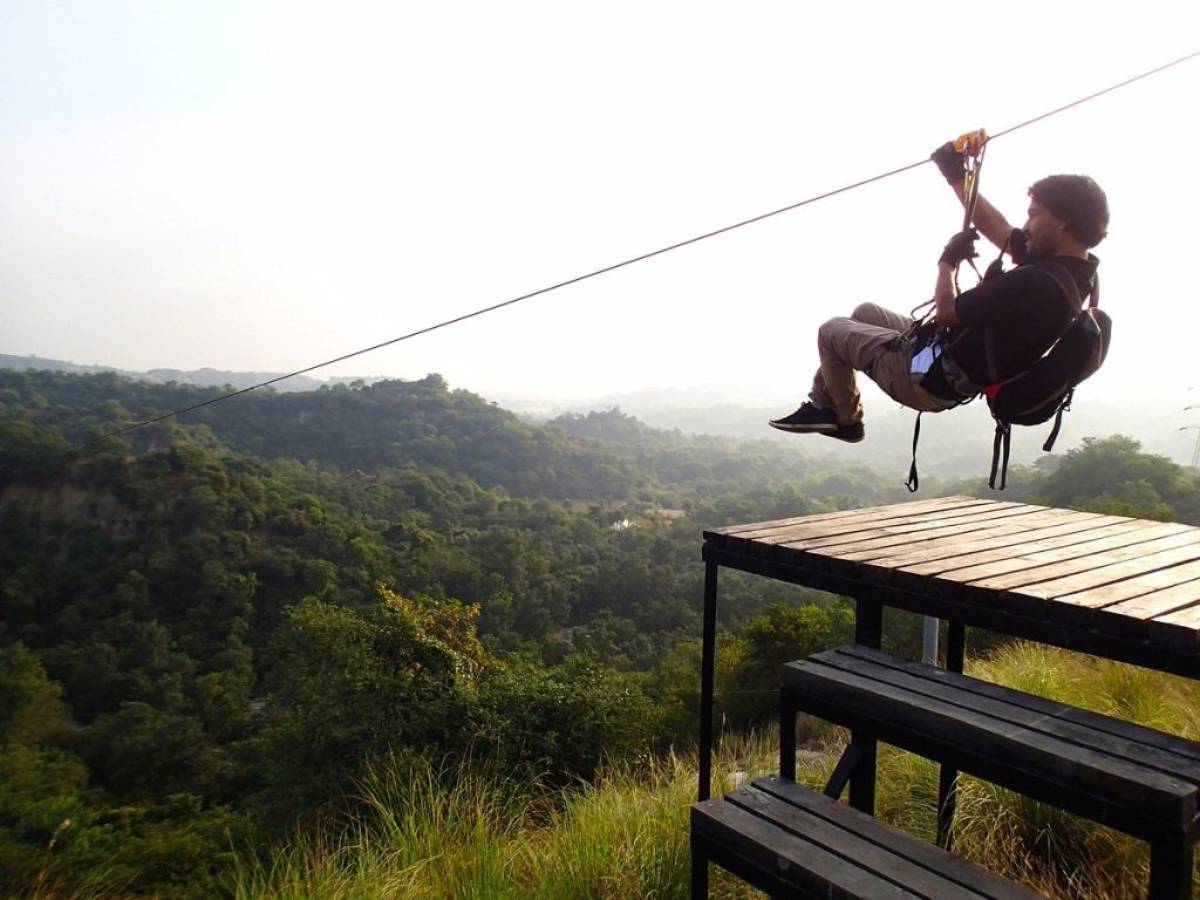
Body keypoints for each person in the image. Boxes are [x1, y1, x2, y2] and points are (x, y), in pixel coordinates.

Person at [768, 140, 1110, 443]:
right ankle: (825, 403)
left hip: (931, 379)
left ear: (1062, 221)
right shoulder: (1074, 273)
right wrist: (956, 176)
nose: (1026, 226)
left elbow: (947, 310)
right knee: (864, 313)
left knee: (831, 331)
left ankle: (844, 420)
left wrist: (947, 262)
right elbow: (999, 229)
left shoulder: (1037, 283)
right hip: (946, 352)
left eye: (1034, 215)